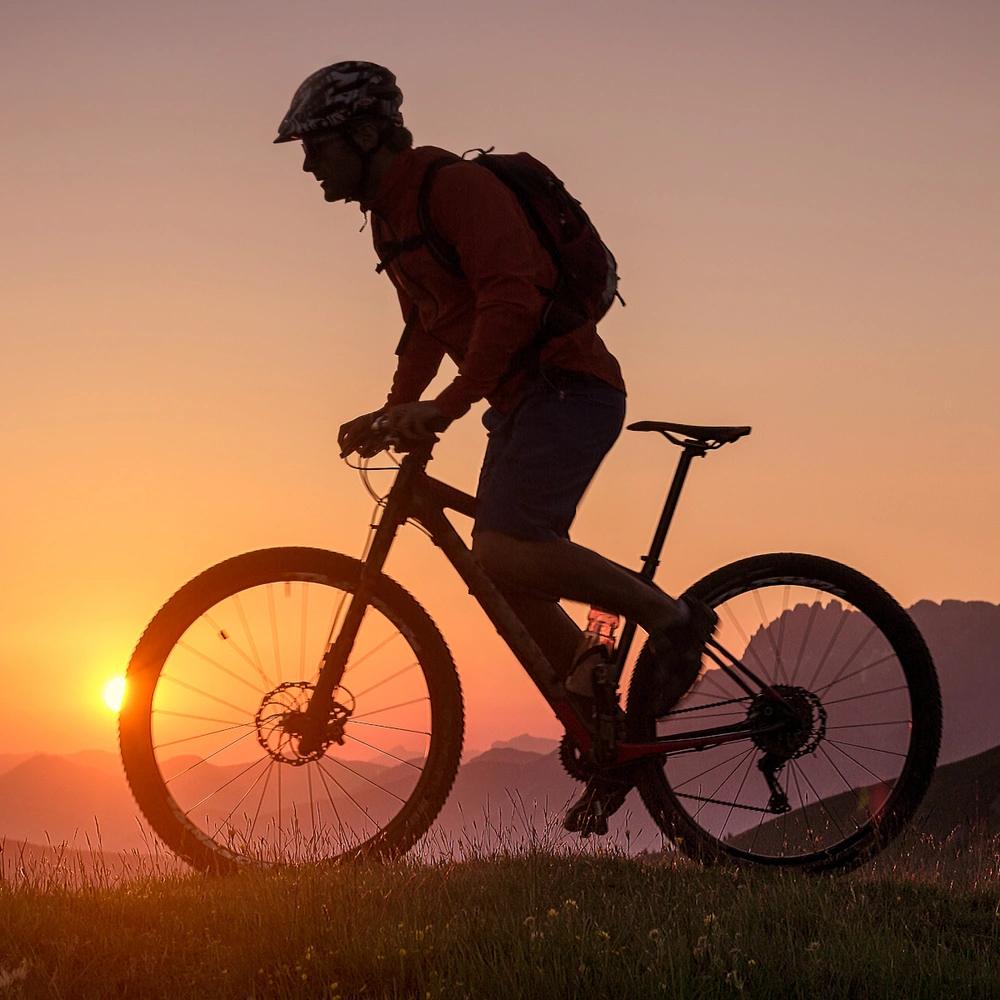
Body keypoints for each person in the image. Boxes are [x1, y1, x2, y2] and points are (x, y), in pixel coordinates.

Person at [274, 60, 716, 834]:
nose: (307, 163)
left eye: (316, 145)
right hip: (521, 400)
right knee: (498, 558)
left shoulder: (453, 189)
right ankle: (600, 708)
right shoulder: (388, 214)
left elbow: (510, 297)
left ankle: (675, 623)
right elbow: (427, 323)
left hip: (570, 386)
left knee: (511, 549)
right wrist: (394, 410)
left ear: (366, 133)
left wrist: (445, 406)